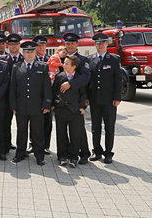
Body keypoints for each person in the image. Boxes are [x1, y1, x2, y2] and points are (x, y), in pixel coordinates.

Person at [10, 41, 52, 166]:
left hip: (37, 106)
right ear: (23, 53)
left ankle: (39, 156)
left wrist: (46, 104)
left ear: (35, 52)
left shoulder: (43, 66)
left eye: (32, 52)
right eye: (27, 52)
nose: (29, 54)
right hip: (21, 105)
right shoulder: (16, 67)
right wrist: (13, 105)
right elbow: (12, 88)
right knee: (21, 131)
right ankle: (20, 153)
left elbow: (47, 88)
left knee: (37, 132)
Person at [87, 32, 122, 164]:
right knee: (95, 127)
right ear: (95, 44)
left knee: (109, 127)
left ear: (107, 44)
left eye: (102, 43)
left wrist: (117, 97)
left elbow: (118, 80)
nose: (100, 45)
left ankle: (108, 153)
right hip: (94, 99)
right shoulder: (90, 59)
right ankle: (96, 151)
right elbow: (89, 81)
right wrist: (87, 97)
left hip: (109, 99)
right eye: (97, 43)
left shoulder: (114, 59)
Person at [60, 32, 92, 164]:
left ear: (77, 44)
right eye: (67, 43)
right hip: (62, 101)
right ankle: (68, 152)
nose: (70, 45)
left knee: (79, 129)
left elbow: (86, 78)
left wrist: (70, 84)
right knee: (64, 131)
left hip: (77, 99)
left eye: (72, 43)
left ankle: (84, 153)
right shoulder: (60, 59)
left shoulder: (83, 60)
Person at [52, 55, 86, 168]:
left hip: (74, 111)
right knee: (61, 133)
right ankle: (61, 156)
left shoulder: (79, 78)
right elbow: (54, 91)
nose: (64, 65)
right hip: (60, 109)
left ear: (74, 66)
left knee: (75, 134)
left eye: (67, 63)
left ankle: (74, 157)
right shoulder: (59, 76)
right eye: (64, 63)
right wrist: (53, 104)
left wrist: (82, 107)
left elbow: (83, 94)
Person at [3, 32, 23, 151]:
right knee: (6, 123)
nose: (13, 46)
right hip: (5, 97)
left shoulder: (25, 59)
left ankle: (22, 148)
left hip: (21, 96)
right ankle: (6, 145)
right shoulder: (2, 60)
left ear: (19, 45)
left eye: (16, 44)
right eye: (11, 44)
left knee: (22, 124)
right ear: (7, 45)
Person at [33, 34, 52, 155]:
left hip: (47, 97)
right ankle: (32, 144)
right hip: (34, 98)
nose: (40, 48)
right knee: (33, 123)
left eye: (43, 45)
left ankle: (46, 145)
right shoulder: (29, 59)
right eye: (38, 46)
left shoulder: (52, 60)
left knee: (47, 122)